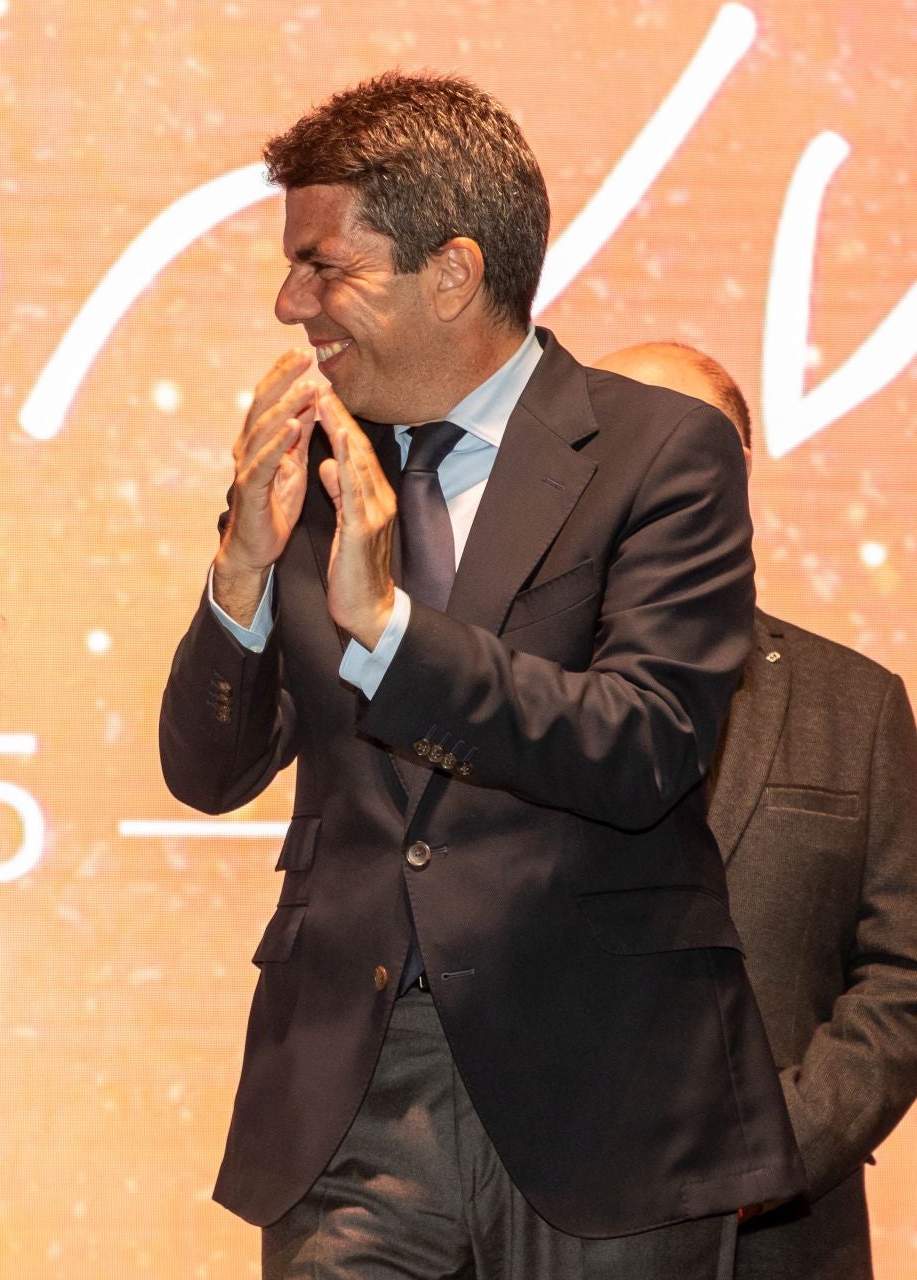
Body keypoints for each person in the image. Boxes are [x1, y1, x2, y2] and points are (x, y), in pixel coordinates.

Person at [158, 72, 804, 1278]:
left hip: (605, 1088)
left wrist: (394, 635)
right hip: (352, 1087)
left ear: (452, 273)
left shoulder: (659, 450)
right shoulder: (311, 474)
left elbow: (645, 742)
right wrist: (241, 569)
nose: (289, 298)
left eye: (324, 265)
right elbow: (205, 771)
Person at [594, 341, 917, 1280]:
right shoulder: (500, 697)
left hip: (778, 1244)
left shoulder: (853, 707)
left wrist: (781, 1143)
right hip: (527, 1227)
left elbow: (905, 970)